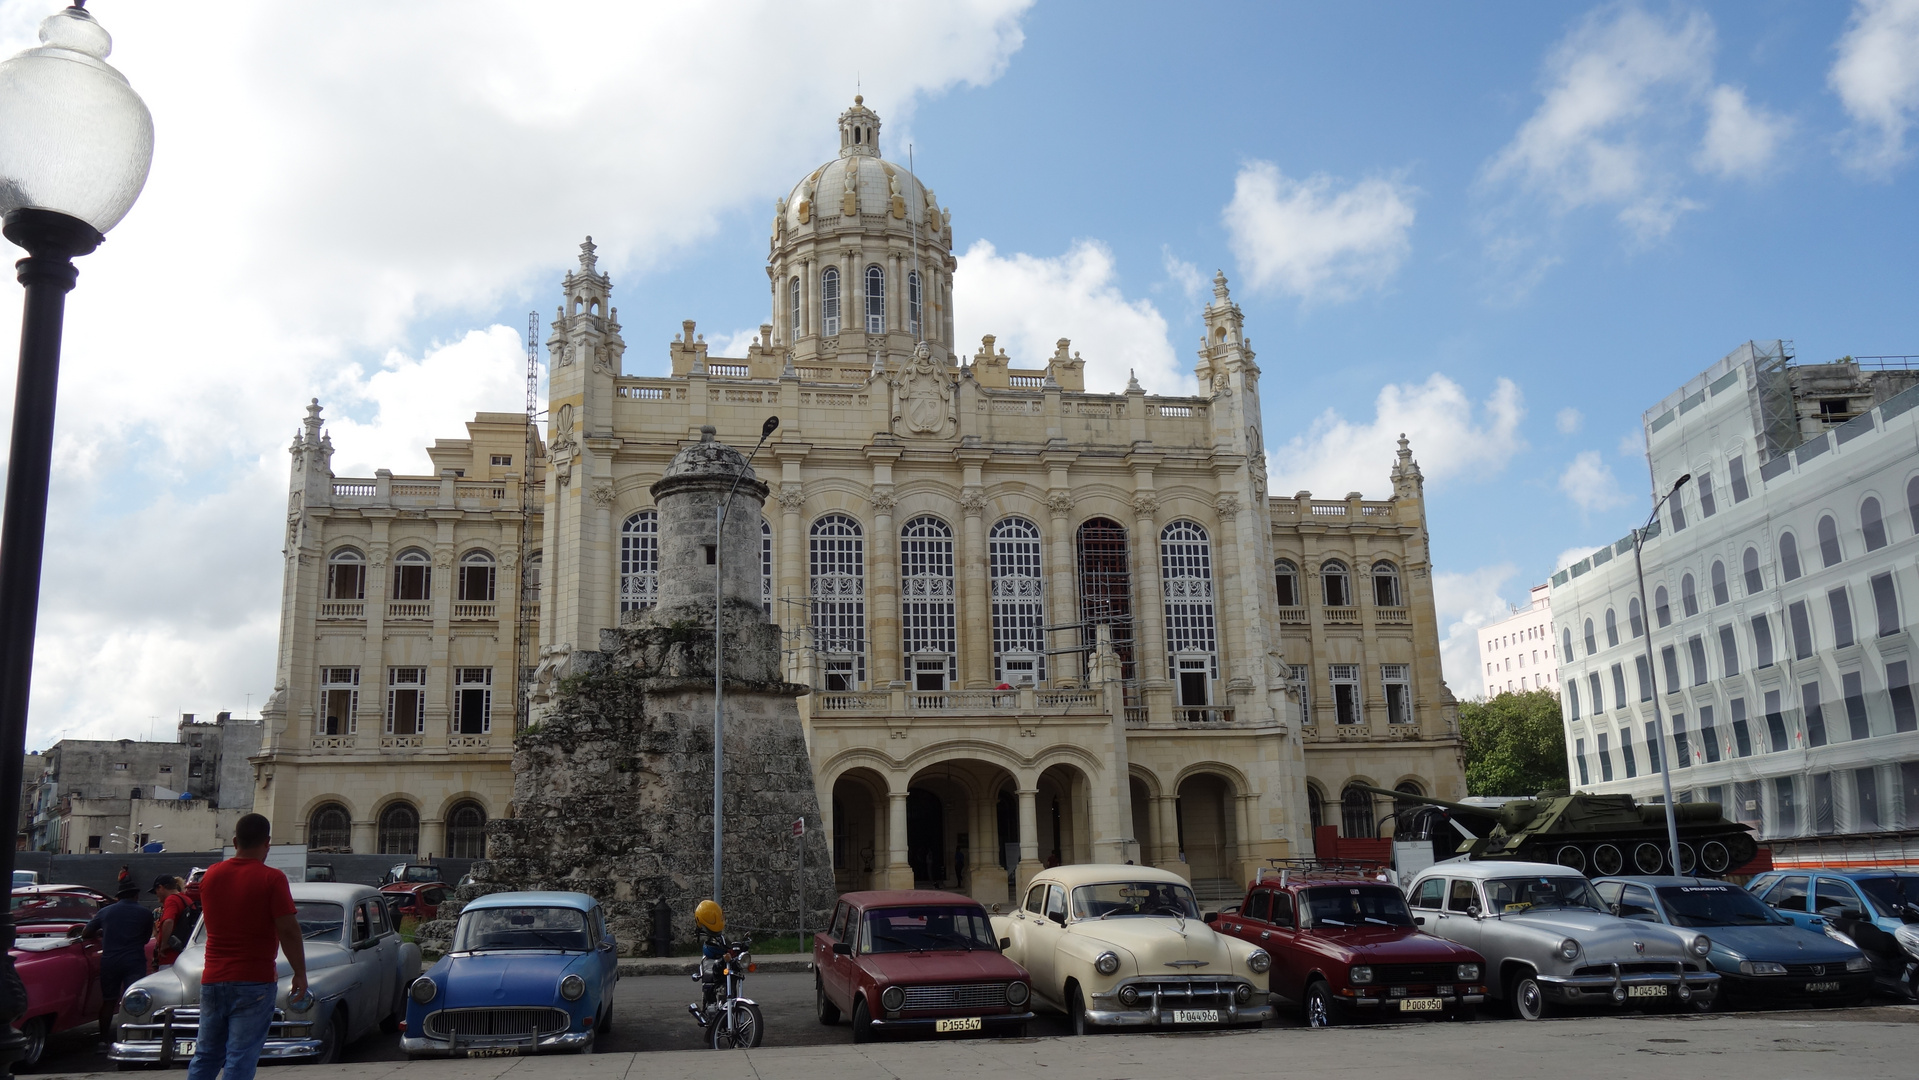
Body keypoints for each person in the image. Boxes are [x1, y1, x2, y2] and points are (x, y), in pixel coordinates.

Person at [187, 813, 307, 1080]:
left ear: (234, 841)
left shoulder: (211, 876)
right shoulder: (272, 879)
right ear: (267, 843)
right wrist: (300, 972)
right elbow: (288, 929)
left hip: (213, 978)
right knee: (240, 1056)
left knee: (206, 1054)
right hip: (254, 980)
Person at [84, 884, 154, 1044]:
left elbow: (86, 933)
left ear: (118, 897)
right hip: (134, 961)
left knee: (108, 1000)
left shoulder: (105, 912)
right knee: (136, 999)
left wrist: (104, 932)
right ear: (136, 896)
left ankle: (103, 1040)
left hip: (110, 961)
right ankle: (134, 1037)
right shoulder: (145, 913)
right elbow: (145, 939)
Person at [151, 876, 191, 970]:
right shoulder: (186, 899)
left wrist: (164, 944)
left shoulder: (171, 899)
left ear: (160, 887)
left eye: (156, 891)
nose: (157, 895)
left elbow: (168, 921)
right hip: (182, 955)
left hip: (170, 957)